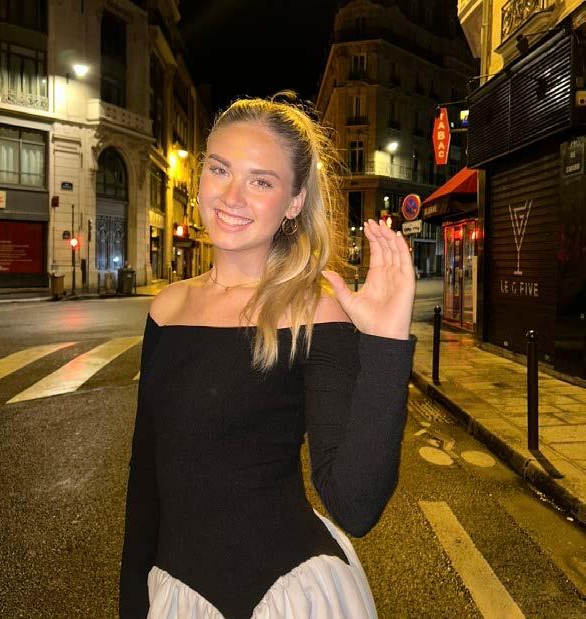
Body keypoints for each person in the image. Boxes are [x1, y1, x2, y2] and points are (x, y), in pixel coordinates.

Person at [119, 93, 416, 618]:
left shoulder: (315, 312)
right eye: (220, 170)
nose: (231, 196)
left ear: (295, 202)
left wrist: (386, 343)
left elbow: (356, 504)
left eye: (261, 182)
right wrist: (131, 604)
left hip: (285, 597)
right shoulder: (168, 307)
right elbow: (146, 478)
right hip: (177, 596)